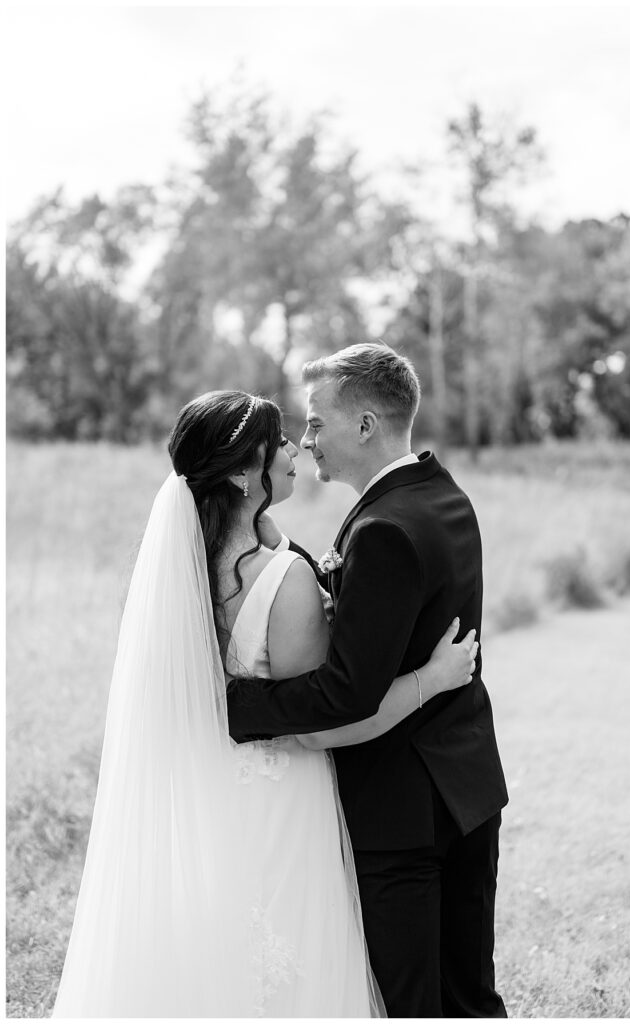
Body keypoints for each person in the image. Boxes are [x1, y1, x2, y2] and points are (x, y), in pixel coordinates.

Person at [52, 389, 477, 1018]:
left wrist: (272, 533)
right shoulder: (286, 581)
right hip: (282, 803)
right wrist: (432, 680)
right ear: (241, 472)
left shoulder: (178, 569)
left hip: (212, 791)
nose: (293, 449)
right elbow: (325, 724)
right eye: (277, 442)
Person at [226, 343, 509, 1018]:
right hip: (467, 785)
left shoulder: (382, 529)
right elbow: (386, 612)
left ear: (365, 426)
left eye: (318, 422)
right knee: (469, 993)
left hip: (401, 809)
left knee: (409, 1001)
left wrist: (239, 706)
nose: (308, 439)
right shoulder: (442, 496)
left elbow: (346, 692)